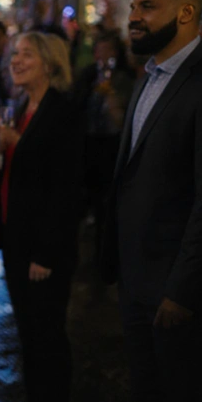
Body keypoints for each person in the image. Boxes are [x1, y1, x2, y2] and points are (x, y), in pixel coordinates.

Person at [104, 0, 202, 402]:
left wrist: (182, 290)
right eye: (133, 8)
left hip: (177, 293)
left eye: (147, 7)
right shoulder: (151, 75)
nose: (134, 18)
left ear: (187, 13)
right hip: (137, 283)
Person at [0, 32, 83, 402]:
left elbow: (65, 188)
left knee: (47, 332)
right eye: (15, 54)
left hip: (43, 246)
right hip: (15, 237)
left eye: (26, 54)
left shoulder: (62, 112)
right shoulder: (22, 108)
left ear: (49, 62)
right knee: (28, 331)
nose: (17, 60)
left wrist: (46, 252)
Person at [73, 31, 135, 245]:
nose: (103, 55)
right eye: (99, 50)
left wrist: (111, 99)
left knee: (107, 198)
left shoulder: (124, 79)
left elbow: (125, 120)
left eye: (108, 50)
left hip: (111, 145)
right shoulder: (88, 75)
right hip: (88, 142)